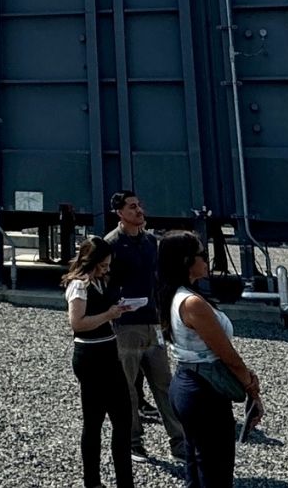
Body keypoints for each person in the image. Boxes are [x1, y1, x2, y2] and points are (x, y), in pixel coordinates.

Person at [156, 231, 256, 488]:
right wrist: (249, 384)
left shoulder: (175, 295)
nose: (206, 258)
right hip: (204, 388)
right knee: (215, 469)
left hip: (188, 381)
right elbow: (225, 353)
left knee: (197, 465)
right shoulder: (192, 304)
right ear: (186, 261)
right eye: (201, 254)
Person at [103, 191, 185, 462]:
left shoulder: (151, 241)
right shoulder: (112, 244)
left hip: (151, 322)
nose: (139, 210)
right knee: (126, 388)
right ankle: (133, 442)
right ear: (120, 213)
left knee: (164, 384)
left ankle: (179, 442)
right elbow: (104, 281)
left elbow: (158, 279)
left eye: (139, 205)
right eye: (132, 207)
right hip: (125, 325)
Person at [64, 236, 137, 488]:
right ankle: (92, 481)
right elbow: (78, 323)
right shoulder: (79, 286)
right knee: (93, 421)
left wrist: (117, 310)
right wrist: (108, 314)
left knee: (123, 418)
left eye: (108, 265)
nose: (107, 270)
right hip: (90, 356)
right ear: (91, 261)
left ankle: (125, 481)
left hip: (108, 350)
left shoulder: (99, 282)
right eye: (103, 265)